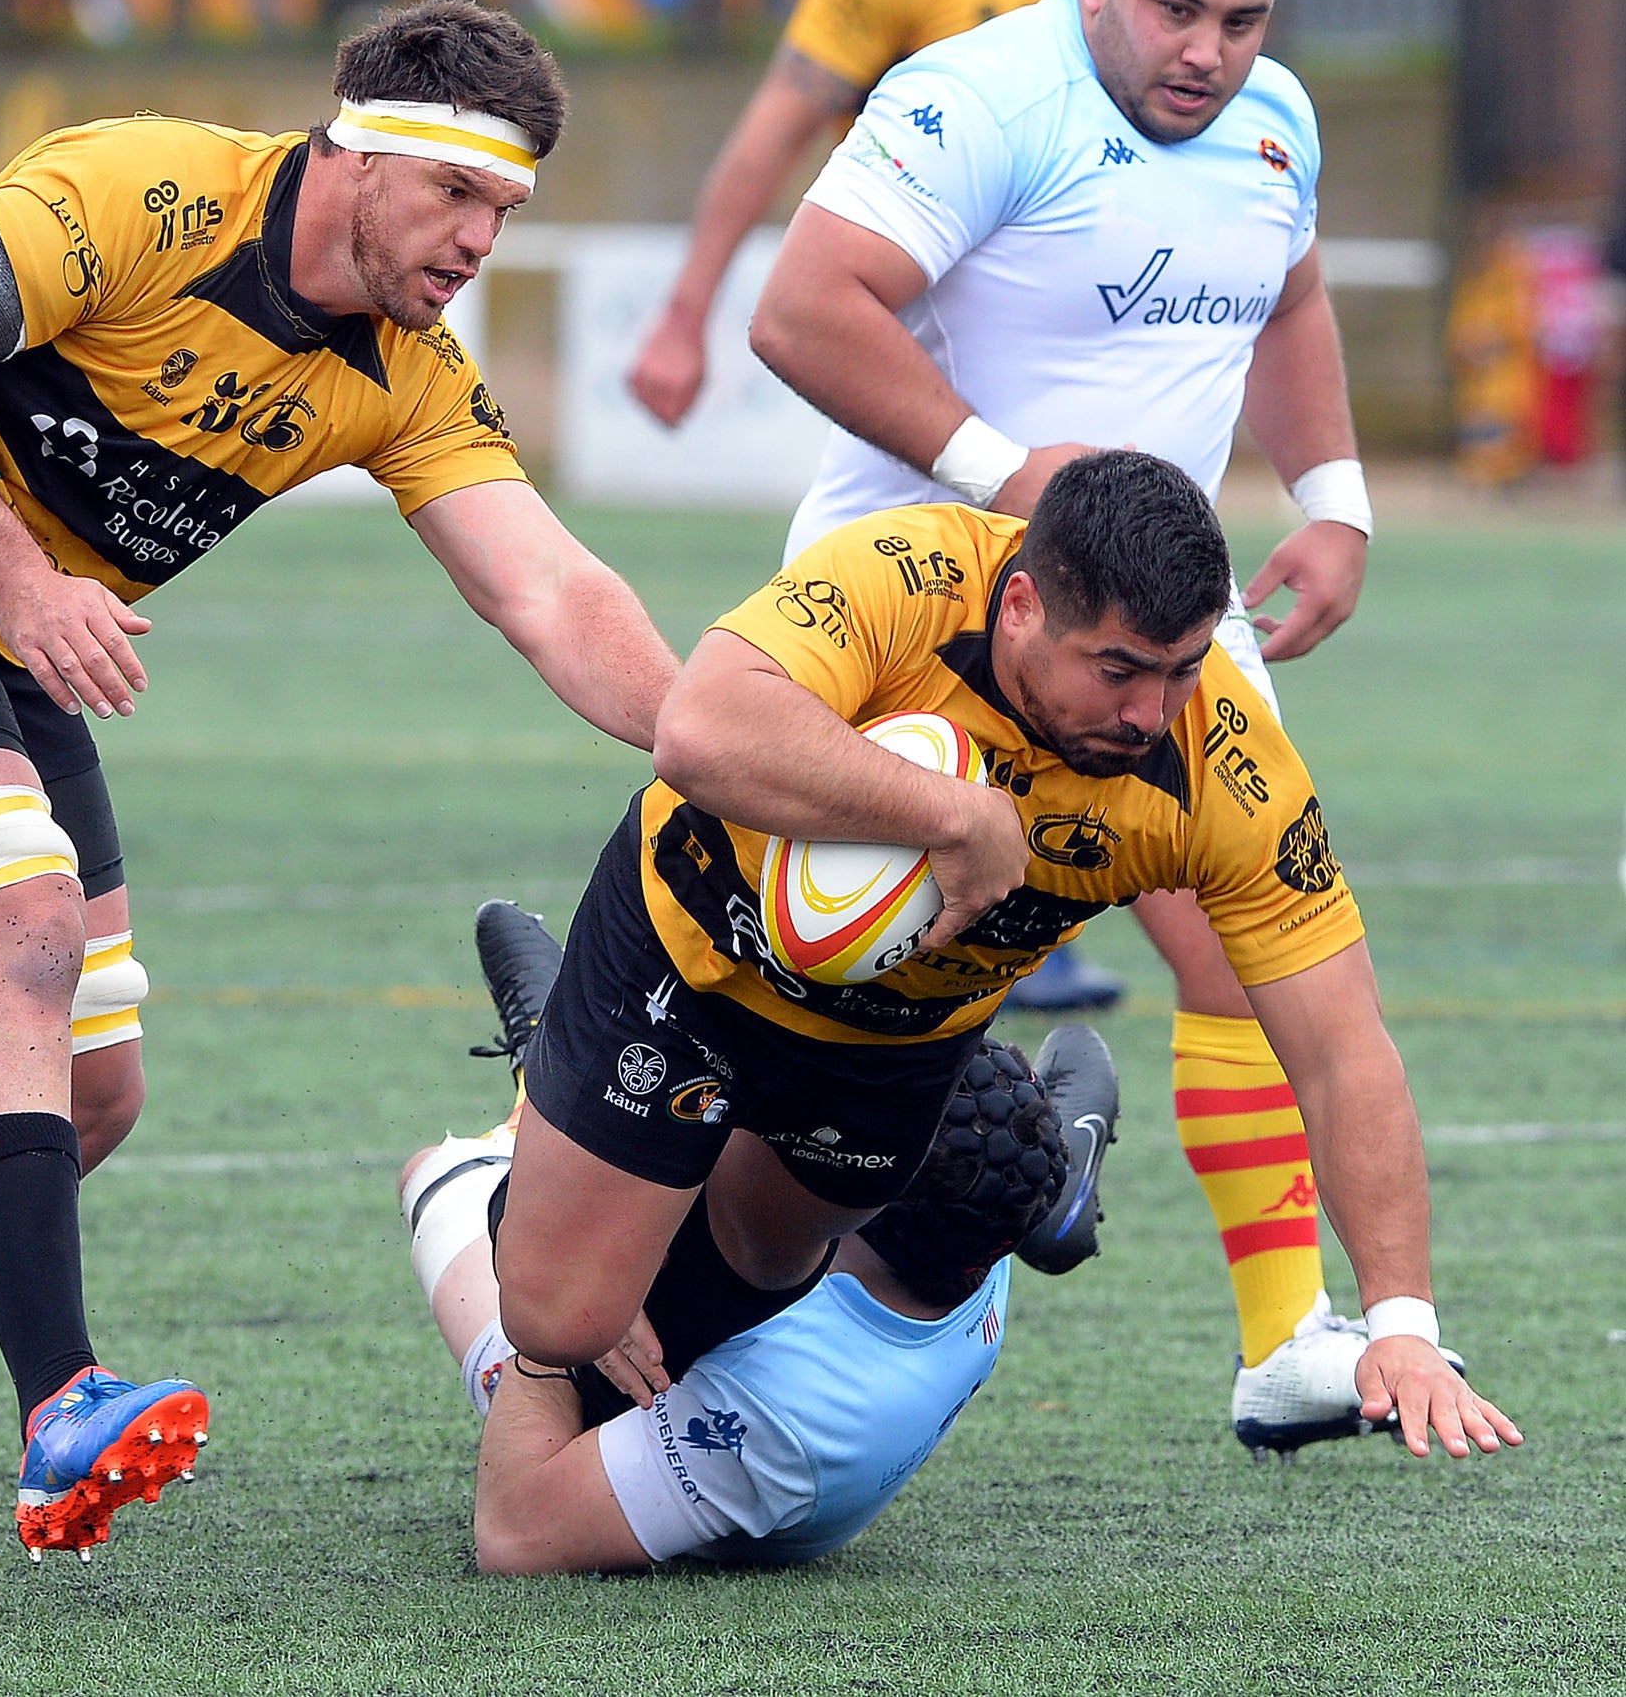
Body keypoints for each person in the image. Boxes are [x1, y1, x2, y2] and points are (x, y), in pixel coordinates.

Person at [0, 0, 681, 1565]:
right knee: (16, 935)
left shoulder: (402, 369)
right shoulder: (144, 188)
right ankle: (62, 1397)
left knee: (89, 1089)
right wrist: (20, 581)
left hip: (11, 625)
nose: (483, 239)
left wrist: (714, 749)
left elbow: (546, 590)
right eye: (462, 195)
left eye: (508, 210)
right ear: (358, 156)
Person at [488, 451, 1519, 1485]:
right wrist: (951, 813)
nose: (1149, 711)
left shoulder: (1228, 774)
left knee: (759, 1261)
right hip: (692, 952)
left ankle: (630, 1142)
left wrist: (1401, 1319)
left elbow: (1342, 1053)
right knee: (560, 1317)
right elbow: (698, 727)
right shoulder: (904, 574)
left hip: (896, 1042)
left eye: (1184, 666)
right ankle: (550, 1091)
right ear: (1021, 603)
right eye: (1116, 668)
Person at [746, 0, 1394, 1451]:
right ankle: (548, 1168)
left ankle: (1283, 1343)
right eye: (1175, 6)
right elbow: (805, 307)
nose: (1210, 50)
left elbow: (1289, 297)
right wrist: (1017, 486)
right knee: (824, 990)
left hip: (1158, 631)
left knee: (1243, 944)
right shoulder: (974, 98)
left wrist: (1332, 500)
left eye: (1243, 18)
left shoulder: (1276, 118)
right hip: (932, 620)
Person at [625, 0, 1137, 1024]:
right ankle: (748, 895)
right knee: (871, 650)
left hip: (1075, 383)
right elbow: (773, 130)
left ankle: (1025, 901)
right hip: (919, 389)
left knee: (1087, 648)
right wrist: (685, 311)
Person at [403, 904, 1086, 1572]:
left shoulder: (786, 1406)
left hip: (716, 1453)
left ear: (855, 1203)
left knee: (441, 1180)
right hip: (901, 1276)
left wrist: (561, 1329)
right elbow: (1025, 1110)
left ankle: (545, 1079)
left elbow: (516, 1531)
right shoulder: (977, 1217)